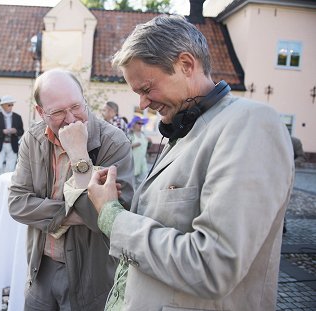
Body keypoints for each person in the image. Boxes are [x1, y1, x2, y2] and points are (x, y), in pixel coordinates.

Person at [85, 15, 294, 310]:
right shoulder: (185, 129)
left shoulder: (251, 123)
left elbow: (213, 266)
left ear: (186, 64)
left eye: (146, 88)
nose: (143, 104)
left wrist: (112, 216)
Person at [8, 69, 135, 310]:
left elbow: (105, 218)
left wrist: (79, 156)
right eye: (57, 112)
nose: (71, 119)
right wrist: (72, 215)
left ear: (84, 98)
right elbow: (17, 204)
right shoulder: (33, 139)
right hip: (41, 268)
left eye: (76, 106)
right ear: (40, 112)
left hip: (90, 275)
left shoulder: (114, 143)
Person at [0, 95, 24, 192]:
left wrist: (15, 131)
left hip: (12, 145)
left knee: (10, 168)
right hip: (0, 144)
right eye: (9, 105)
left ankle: (6, 185)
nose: (11, 106)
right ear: (3, 105)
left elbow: (21, 131)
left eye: (12, 105)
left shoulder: (17, 117)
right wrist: (2, 131)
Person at [127, 115, 151, 189]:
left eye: (142, 123)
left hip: (142, 162)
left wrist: (150, 142)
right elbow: (125, 147)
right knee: (132, 184)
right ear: (134, 124)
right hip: (133, 162)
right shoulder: (130, 135)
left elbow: (147, 147)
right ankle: (133, 199)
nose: (141, 125)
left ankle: (140, 198)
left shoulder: (143, 135)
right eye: (139, 123)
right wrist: (133, 145)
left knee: (143, 181)